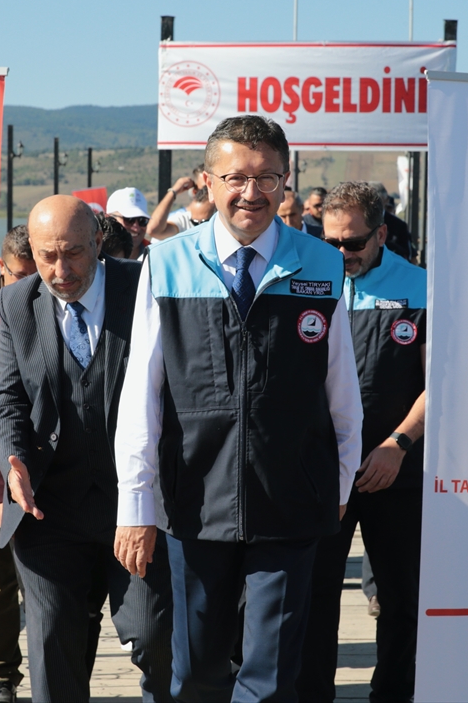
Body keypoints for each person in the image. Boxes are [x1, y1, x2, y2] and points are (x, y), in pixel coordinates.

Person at [113, 116, 362, 702]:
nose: (252, 193)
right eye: (235, 178)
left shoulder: (322, 265)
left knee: (272, 679)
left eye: (266, 178)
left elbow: (341, 389)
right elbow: (141, 395)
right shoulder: (166, 264)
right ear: (208, 181)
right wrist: (136, 503)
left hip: (291, 502)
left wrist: (340, 478)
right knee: (196, 673)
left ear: (285, 180)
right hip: (195, 503)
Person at [0, 197, 173, 702]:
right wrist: (13, 462)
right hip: (48, 509)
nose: (60, 270)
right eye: (47, 256)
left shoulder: (145, 289)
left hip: (137, 504)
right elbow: (5, 399)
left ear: (99, 242)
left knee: (156, 637)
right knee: (53, 646)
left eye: (72, 253)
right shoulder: (15, 304)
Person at [298, 181, 427, 703]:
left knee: (402, 600)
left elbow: (441, 382)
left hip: (394, 470)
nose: (340, 254)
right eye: (329, 242)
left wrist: (398, 444)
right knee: (313, 598)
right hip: (322, 471)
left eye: (352, 243)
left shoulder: (421, 287)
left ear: (381, 234)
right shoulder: (306, 280)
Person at [0, 226, 36, 703]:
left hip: (38, 469)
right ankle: (0, 676)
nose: (29, 286)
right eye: (20, 276)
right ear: (1, 269)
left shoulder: (47, 308)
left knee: (38, 584)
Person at [147, 166, 216, 242]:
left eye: (214, 185)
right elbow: (153, 230)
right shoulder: (182, 220)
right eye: (205, 189)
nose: (211, 191)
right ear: (194, 192)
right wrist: (173, 191)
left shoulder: (219, 217)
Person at [368, 182, 414, 261]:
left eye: (377, 201)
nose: (373, 205)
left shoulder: (398, 225)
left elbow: (408, 254)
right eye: (368, 201)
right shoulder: (356, 222)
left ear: (386, 200)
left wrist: (390, 246)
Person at [107, 187, 152, 260]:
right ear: (109, 218)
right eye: (129, 219)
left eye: (142, 220)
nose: (136, 228)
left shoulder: (156, 256)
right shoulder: (94, 255)